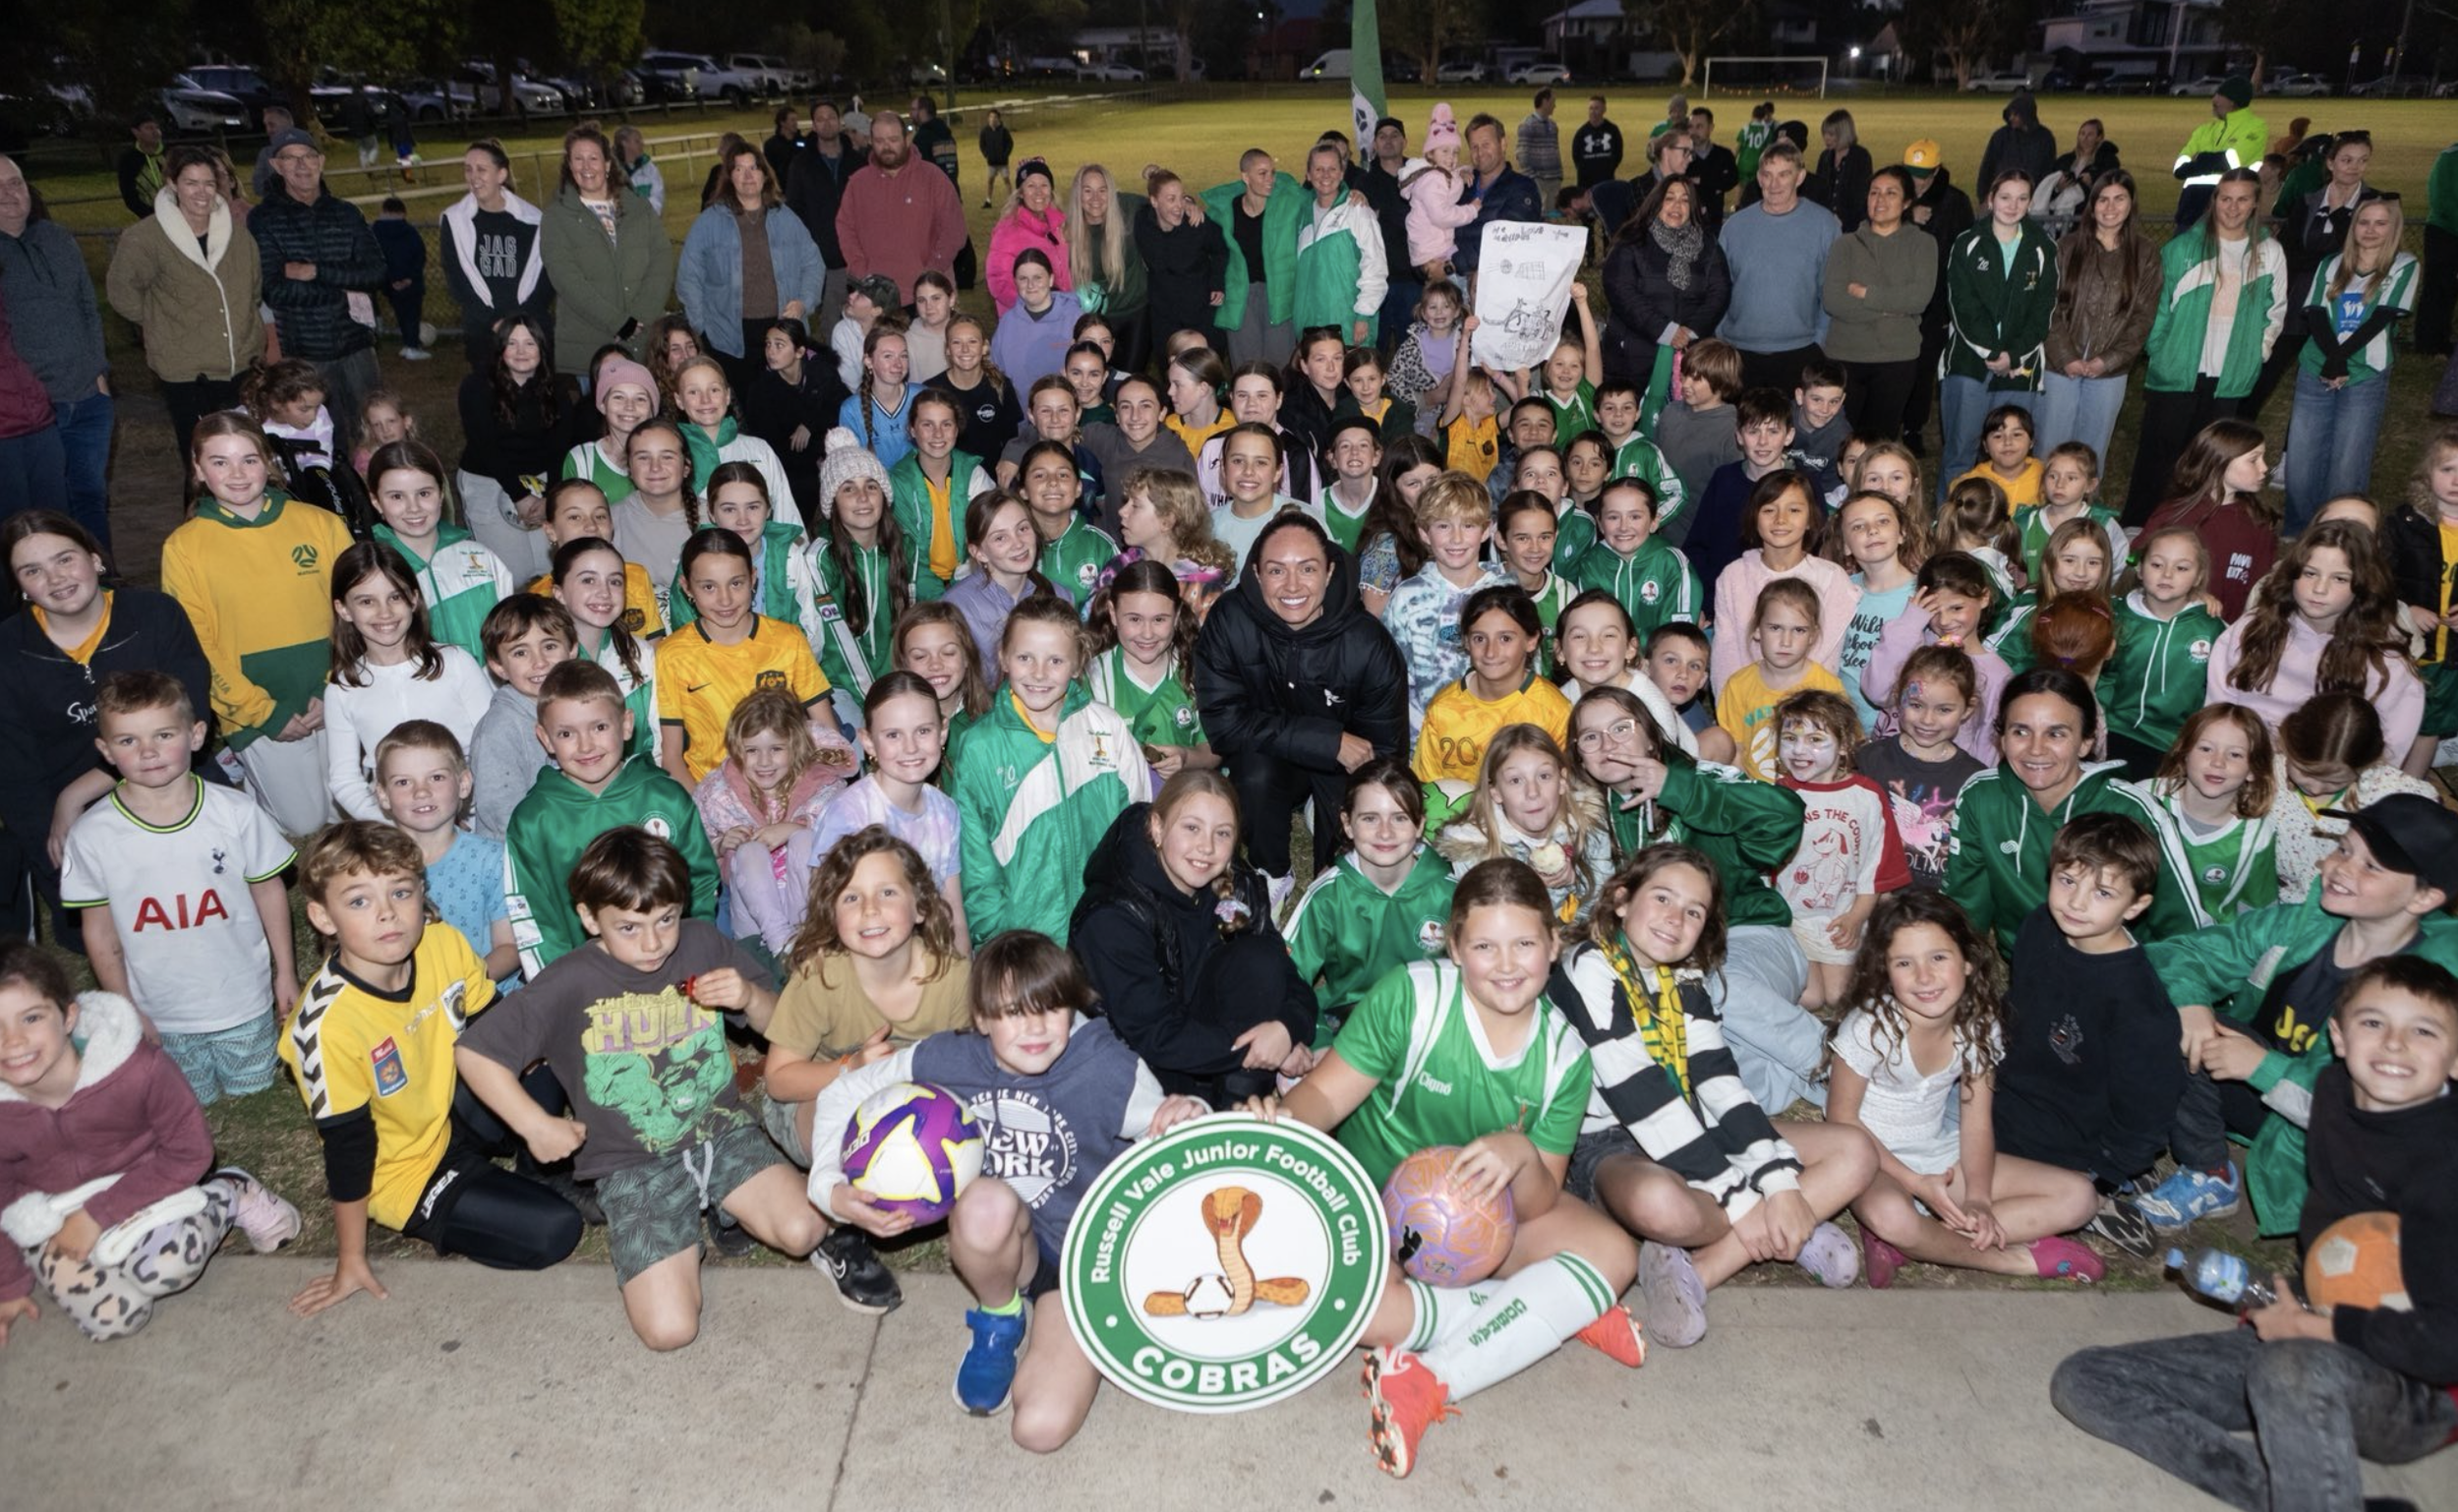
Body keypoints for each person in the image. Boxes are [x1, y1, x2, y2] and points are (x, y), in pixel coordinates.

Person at [1245, 858, 1645, 1479]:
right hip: (1378, 1206)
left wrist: (1520, 1156)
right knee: (1360, 1314)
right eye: (1485, 945)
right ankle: (1553, 1308)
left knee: (1616, 1257)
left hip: (1485, 1218)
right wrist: (1278, 1129)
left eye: (1524, 944)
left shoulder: (1565, 1055)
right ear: (1454, 948)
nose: (1507, 964)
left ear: (1554, 945)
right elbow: (1324, 1098)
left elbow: (1536, 1204)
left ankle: (1431, 1379)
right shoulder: (1412, 995)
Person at [2055, 949, 2458, 1506]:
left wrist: (2327, 1330)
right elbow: (2332, 1230)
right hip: (2320, 1333)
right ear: (2338, 1038)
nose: (2394, 1045)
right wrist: (2294, 1301)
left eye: (2424, 1031)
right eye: (2373, 1023)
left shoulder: (2446, 1166)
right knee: (2087, 1380)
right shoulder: (2338, 1100)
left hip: (2418, 1391)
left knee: (2289, 1369)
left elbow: (2446, 1345)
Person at [460, 827, 816, 1349]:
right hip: (633, 1161)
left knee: (804, 1230)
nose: (653, 943)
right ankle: (681, 1234)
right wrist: (534, 1124)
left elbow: (780, 1026)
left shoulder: (700, 941)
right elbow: (474, 1051)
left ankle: (719, 1201)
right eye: (628, 927)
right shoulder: (569, 981)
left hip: (720, 1131)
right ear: (589, 918)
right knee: (670, 1331)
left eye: (664, 919)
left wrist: (747, 996)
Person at [279, 822, 586, 1319]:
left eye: (400, 892)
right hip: (406, 1169)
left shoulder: (441, 942)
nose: (387, 914)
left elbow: (496, 1032)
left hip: (455, 1107)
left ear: (423, 893)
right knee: (555, 1231)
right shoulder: (323, 1026)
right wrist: (351, 1260)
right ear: (322, 916)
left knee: (542, 1041)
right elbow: (349, 1147)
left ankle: (542, 1168)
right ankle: (489, 1191)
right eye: (359, 901)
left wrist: (539, 1109)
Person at [0, 943, 299, 1346]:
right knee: (114, 1320)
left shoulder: (136, 1068)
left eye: (31, 1018)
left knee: (165, 1269)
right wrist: (9, 1285)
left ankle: (228, 1192)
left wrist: (97, 1214)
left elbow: (191, 1151)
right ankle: (112, 1254)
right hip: (52, 1212)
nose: (13, 1041)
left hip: (148, 1184)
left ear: (69, 1016)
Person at [1830, 891, 2102, 1285]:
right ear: (1885, 971)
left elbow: (1976, 1124)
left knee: (2080, 1197)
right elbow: (1841, 1121)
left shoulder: (1977, 1024)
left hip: (1937, 1152)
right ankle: (2013, 1259)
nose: (1924, 977)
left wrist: (1979, 1198)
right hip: (1871, 1159)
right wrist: (1915, 1184)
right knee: (1892, 1215)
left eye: (1938, 957)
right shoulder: (1869, 1027)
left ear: (1969, 961)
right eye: (1905, 963)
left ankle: (1918, 1239)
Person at [60, 669, 293, 1105]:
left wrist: (286, 973)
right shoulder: (93, 835)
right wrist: (126, 1009)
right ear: (105, 750)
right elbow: (100, 931)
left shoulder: (236, 812)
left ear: (197, 733)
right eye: (128, 741)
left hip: (242, 998)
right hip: (161, 1012)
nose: (148, 752)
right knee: (188, 1099)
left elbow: (269, 890)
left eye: (164, 734)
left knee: (255, 1095)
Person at [1194, 513, 1407, 899]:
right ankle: (1272, 873)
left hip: (1345, 766)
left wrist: (1346, 850)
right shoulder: (1230, 620)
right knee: (1253, 773)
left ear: (1329, 572)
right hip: (1274, 756)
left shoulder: (1368, 643)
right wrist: (1329, 741)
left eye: (1307, 569)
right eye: (1277, 570)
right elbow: (1224, 724)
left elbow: (1387, 754)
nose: (1292, 585)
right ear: (1257, 574)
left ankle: (1323, 824)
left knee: (1342, 875)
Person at [160, 413, 353, 837]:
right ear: (197, 469)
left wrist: (332, 686)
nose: (237, 474)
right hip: (254, 704)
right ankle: (246, 777)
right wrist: (263, 713)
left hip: (331, 687)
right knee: (304, 822)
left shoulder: (320, 524)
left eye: (249, 460)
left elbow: (354, 612)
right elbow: (197, 644)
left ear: (269, 462)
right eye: (220, 462)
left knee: (345, 810)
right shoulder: (184, 547)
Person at [1071, 773, 1318, 1101]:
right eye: (1191, 827)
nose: (1207, 846)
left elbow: (1284, 973)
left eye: (1223, 833)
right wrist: (1260, 1050)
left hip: (1206, 1036)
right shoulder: (1114, 916)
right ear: (1157, 828)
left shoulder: (1233, 883)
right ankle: (1217, 1114)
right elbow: (1153, 1035)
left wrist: (1286, 1030)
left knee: (1259, 958)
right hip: (1132, 1061)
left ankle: (1238, 1108)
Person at [1942, 669, 2193, 961]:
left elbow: (2180, 927)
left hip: (2118, 972)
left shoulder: (2133, 809)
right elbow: (1966, 906)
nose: (2036, 749)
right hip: (2024, 968)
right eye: (2020, 731)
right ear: (2002, 738)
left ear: (2086, 742)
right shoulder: (1981, 797)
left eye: (2056, 733)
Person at [946, 594, 1148, 939]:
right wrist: (1000, 939)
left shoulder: (1107, 728)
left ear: (1078, 662)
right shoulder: (979, 747)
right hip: (1025, 945)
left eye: (1056, 660)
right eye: (1025, 657)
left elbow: (1139, 832)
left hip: (1103, 933)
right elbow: (975, 865)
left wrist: (1129, 917)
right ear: (1003, 658)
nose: (1039, 673)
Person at [505, 660, 717, 977]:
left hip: (671, 969)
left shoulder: (665, 797)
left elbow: (700, 882)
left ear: (627, 724)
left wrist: (693, 958)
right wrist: (562, 988)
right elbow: (535, 918)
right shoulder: (533, 820)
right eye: (566, 733)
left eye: (600, 727)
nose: (586, 745)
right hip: (585, 985)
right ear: (545, 739)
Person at [2122, 172, 2286, 526]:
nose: (2233, 207)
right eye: (2225, 198)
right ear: (2214, 201)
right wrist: (2160, 351)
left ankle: (2198, 527)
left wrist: (2258, 353)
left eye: (2243, 199)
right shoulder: (2182, 249)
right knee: (2159, 457)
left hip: (2229, 374)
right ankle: (2139, 526)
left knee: (2213, 459)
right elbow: (2157, 307)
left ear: (2256, 203)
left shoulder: (2269, 253)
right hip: (2179, 369)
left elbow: (2276, 311)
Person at [104, 145, 263, 460]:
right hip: (187, 373)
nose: (201, 192)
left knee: (245, 453)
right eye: (191, 182)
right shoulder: (145, 238)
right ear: (172, 184)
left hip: (240, 364)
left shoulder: (238, 235)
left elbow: (253, 290)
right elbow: (122, 292)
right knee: (201, 459)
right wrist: (159, 322)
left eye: (208, 183)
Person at [321, 544, 494, 823]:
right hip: (397, 824)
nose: (384, 612)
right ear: (343, 609)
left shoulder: (455, 663)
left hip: (472, 813)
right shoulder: (343, 688)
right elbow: (344, 780)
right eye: (366, 601)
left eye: (395, 597)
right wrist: (391, 825)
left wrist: (468, 808)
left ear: (414, 599)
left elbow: (493, 746)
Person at [2283, 199, 2417, 535]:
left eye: (2380, 223)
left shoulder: (2403, 265)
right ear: (2353, 226)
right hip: (2318, 365)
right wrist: (2330, 359)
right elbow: (2314, 312)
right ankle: (2299, 527)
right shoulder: (2331, 263)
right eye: (2364, 222)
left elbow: (2384, 317)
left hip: (2364, 371)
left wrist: (2341, 360)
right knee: (2302, 454)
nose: (2370, 230)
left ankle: (2339, 528)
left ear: (2393, 228)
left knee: (2349, 457)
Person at [251, 129, 386, 455]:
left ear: (321, 161)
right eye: (291, 158)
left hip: (357, 346)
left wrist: (315, 272)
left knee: (375, 436)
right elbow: (274, 291)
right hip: (306, 354)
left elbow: (376, 272)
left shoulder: (347, 213)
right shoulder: (264, 220)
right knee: (322, 445)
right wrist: (342, 287)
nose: (302, 165)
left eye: (309, 156)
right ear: (276, 165)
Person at [1938, 172, 2056, 500]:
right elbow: (1962, 305)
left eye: (2021, 198)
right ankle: (1952, 527)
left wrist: (2013, 356)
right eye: (2005, 197)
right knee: (1961, 452)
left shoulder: (2043, 247)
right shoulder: (1968, 242)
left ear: (2031, 203)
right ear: (1991, 199)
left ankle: (2008, 524)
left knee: (2011, 454)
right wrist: (1991, 353)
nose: (2012, 205)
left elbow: (2043, 310)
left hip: (2020, 368)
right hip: (1969, 363)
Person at [2035, 171, 2159, 467]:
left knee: (2092, 453)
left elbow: (2143, 316)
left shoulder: (2145, 254)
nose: (2110, 207)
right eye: (2102, 199)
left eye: (2119, 199)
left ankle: (2086, 511)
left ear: (2131, 204)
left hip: (2109, 373)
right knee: (2051, 449)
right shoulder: (2067, 247)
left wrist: (2108, 360)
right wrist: (2066, 356)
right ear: (2092, 205)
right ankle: (2043, 510)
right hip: (2060, 367)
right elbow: (2048, 306)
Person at [676, 141, 822, 392]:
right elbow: (689, 276)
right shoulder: (710, 222)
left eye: (753, 168)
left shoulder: (785, 217)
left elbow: (813, 263)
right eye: (738, 169)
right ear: (729, 176)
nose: (747, 176)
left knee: (783, 407)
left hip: (780, 330)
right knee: (742, 406)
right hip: (729, 336)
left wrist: (804, 302)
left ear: (765, 174)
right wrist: (701, 327)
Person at [540, 126, 674, 377]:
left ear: (608, 164)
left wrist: (639, 317)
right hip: (590, 344)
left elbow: (662, 261)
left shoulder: (638, 209)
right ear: (569, 165)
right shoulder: (556, 216)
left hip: (644, 340)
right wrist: (617, 322)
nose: (586, 166)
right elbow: (565, 278)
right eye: (578, 159)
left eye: (593, 158)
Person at [1821, 166, 1936, 447]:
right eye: (1874, 192)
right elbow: (1833, 300)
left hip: (1896, 359)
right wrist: (1892, 307)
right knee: (1841, 443)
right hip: (1846, 356)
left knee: (1879, 446)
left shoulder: (1923, 244)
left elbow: (1918, 299)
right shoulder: (1845, 244)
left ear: (1907, 202)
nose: (1880, 200)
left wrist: (1865, 293)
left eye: (1890, 193)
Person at [1716, 143, 1839, 393]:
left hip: (1800, 351)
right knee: (1742, 429)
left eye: (1784, 174)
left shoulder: (1824, 224)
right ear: (1759, 177)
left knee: (1791, 429)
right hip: (1739, 352)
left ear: (1800, 177)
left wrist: (1819, 341)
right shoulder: (1735, 227)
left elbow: (1831, 287)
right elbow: (1719, 286)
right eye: (1768, 175)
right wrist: (1722, 336)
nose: (1774, 184)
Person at [1600, 176, 1732, 405]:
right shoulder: (1632, 241)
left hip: (1690, 353)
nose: (1677, 206)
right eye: (1669, 198)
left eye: (1684, 200)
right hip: (1635, 356)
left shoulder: (1708, 245)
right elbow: (1621, 291)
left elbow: (1719, 292)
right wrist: (1665, 330)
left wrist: (1689, 332)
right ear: (1656, 202)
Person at [467, 593, 575, 842]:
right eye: (520, 653)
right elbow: (506, 821)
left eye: (549, 646)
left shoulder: (578, 709)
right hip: (526, 859)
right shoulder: (498, 731)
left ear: (572, 650)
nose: (539, 662)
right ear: (498, 667)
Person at [439, 142, 549, 374]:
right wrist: (495, 323)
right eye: (468, 169)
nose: (473, 176)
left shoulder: (532, 220)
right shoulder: (454, 221)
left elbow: (545, 279)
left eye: (481, 169)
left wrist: (518, 325)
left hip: (527, 329)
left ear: (501, 174)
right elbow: (457, 281)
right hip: (482, 331)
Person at [837, 112, 966, 305]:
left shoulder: (933, 178)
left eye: (893, 139)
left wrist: (930, 272)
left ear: (907, 139)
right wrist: (860, 270)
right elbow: (845, 228)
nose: (887, 147)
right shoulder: (858, 183)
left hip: (927, 298)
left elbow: (954, 231)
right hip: (876, 297)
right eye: (880, 140)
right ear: (871, 141)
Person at [1899, 140, 1975, 455]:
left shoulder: (1955, 202)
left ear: (1937, 170)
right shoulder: (1894, 195)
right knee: (1895, 364)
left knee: (1924, 366)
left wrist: (1951, 306)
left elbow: (1965, 253)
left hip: (1935, 303)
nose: (1917, 181)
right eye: (1912, 174)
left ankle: (1914, 426)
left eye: (1924, 174)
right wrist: (1906, 216)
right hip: (1896, 299)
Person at [783, 101, 866, 333]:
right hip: (823, 258)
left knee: (864, 323)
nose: (826, 122)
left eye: (831, 117)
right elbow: (795, 211)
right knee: (832, 324)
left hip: (857, 257)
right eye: (820, 118)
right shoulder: (801, 165)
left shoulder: (858, 162)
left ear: (840, 121)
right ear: (813, 125)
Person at [1295, 145, 1388, 348]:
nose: (1325, 175)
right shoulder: (1302, 212)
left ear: (1342, 173)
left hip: (1348, 324)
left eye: (1332, 169)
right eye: (1318, 169)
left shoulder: (1357, 210)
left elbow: (1375, 266)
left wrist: (1364, 314)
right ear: (1308, 175)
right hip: (1310, 325)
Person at [1450, 113, 1544, 284]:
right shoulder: (1461, 186)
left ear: (1503, 144)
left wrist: (1450, 264)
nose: (1480, 152)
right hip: (1452, 289)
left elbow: (1507, 243)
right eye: (1474, 146)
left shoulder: (1522, 188)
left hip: (1495, 285)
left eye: (1486, 144)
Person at [2171, 74, 2267, 229]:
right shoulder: (2205, 129)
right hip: (2190, 210)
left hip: (2230, 212)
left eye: (2220, 95)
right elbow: (2179, 168)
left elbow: (2232, 161)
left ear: (2233, 101)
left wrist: (2199, 160)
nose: (2214, 100)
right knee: (2179, 252)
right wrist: (2213, 160)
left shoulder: (2256, 127)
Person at [985, 159, 1071, 318]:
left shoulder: (1060, 226)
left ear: (1051, 190)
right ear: (1021, 193)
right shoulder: (1008, 231)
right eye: (1031, 186)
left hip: (1060, 318)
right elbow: (999, 282)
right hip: (1025, 321)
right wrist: (1037, 309)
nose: (1039, 192)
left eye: (1044, 185)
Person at [1807, 110, 1873, 233]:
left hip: (1852, 227)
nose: (1826, 138)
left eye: (1831, 135)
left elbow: (1862, 195)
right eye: (1825, 134)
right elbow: (1819, 190)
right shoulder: (1825, 157)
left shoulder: (1860, 157)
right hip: (1826, 224)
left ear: (1844, 134)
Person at [1976, 91, 2056, 195]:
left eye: (2016, 114)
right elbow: (1987, 166)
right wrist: (1983, 195)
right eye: (2010, 114)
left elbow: (2048, 169)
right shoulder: (2001, 136)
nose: (2011, 118)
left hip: (2033, 196)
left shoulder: (2045, 138)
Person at [1517, 88, 1563, 209]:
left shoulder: (1553, 126)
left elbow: (1555, 150)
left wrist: (1559, 175)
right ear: (1544, 102)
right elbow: (1522, 154)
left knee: (1553, 214)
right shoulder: (1527, 125)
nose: (1555, 105)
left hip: (1554, 179)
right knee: (1540, 215)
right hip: (1539, 180)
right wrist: (1533, 178)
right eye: (1553, 101)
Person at [1571, 94, 1624, 190]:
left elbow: (1618, 153)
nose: (1593, 112)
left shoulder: (1612, 130)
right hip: (1586, 183)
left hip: (1606, 180)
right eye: (1591, 108)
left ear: (1604, 109)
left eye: (1596, 108)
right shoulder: (1581, 133)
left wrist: (1609, 167)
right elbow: (1576, 156)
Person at [761, 105, 804, 191]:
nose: (796, 123)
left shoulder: (803, 142)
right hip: (782, 190)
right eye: (792, 120)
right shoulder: (771, 145)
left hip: (802, 189)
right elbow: (769, 170)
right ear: (782, 122)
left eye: (796, 120)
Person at [977, 107, 1014, 208]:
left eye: (995, 117)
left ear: (998, 118)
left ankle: (1011, 201)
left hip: (1003, 162)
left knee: (1006, 180)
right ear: (988, 118)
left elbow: (1010, 143)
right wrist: (986, 154)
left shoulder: (1004, 131)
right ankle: (988, 201)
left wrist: (1005, 154)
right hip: (991, 162)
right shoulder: (985, 131)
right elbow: (982, 144)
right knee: (990, 181)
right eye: (991, 117)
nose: (993, 119)